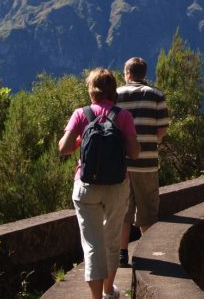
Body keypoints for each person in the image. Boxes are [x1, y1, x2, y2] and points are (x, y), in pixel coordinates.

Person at [59, 68, 140, 299]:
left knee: (92, 245)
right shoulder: (123, 116)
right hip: (117, 186)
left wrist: (78, 141)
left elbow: (63, 148)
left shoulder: (81, 114)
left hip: (85, 186)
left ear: (91, 89)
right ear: (112, 89)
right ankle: (108, 292)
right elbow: (134, 153)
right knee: (112, 240)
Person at [117, 57, 170, 266]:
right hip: (147, 163)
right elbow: (162, 130)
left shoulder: (116, 95)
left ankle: (122, 253)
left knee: (123, 210)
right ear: (144, 73)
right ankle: (145, 255)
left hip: (121, 165)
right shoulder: (157, 95)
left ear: (127, 73)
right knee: (148, 210)